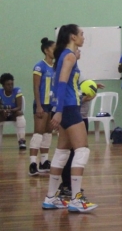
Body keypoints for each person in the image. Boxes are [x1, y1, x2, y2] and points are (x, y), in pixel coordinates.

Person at [42, 24, 98, 212]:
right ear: (73, 37)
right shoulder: (69, 56)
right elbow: (61, 83)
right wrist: (58, 110)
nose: (84, 37)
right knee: (82, 151)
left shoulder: (66, 56)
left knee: (62, 153)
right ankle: (76, 199)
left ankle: (51, 197)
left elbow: (67, 85)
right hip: (69, 109)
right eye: (81, 34)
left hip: (67, 106)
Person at [58, 50, 104, 201]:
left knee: (70, 151)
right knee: (73, 152)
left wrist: (91, 86)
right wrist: (83, 99)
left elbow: (79, 86)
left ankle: (62, 190)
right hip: (73, 114)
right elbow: (68, 92)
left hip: (80, 115)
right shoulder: (67, 67)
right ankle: (68, 187)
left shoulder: (76, 69)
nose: (78, 51)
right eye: (76, 49)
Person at [29, 38, 56, 176]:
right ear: (46, 50)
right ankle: (33, 163)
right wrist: (38, 105)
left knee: (48, 133)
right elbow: (36, 86)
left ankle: (44, 162)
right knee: (38, 133)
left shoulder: (56, 66)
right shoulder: (39, 66)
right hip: (42, 104)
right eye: (54, 48)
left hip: (51, 104)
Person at [0, 73, 27, 149]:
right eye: (8, 84)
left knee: (20, 114)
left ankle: (22, 141)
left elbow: (19, 107)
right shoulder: (0, 92)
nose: (10, 86)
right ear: (3, 85)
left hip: (13, 114)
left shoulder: (17, 91)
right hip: (3, 115)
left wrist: (9, 111)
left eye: (12, 84)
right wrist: (3, 111)